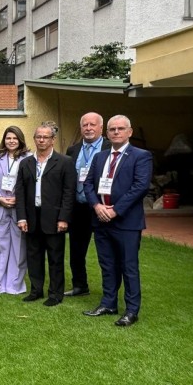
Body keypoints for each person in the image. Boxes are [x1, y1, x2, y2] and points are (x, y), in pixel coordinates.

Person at [83, 115, 152, 327]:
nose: (115, 132)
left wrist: (115, 211)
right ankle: (108, 303)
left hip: (126, 223)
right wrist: (97, 206)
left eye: (120, 129)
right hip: (101, 220)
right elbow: (88, 184)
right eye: (112, 129)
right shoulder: (100, 157)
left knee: (128, 266)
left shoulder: (141, 156)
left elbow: (140, 187)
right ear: (107, 133)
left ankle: (131, 310)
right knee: (107, 264)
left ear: (129, 132)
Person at [15, 122, 76, 307]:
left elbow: (69, 192)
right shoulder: (26, 163)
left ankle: (56, 294)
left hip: (54, 218)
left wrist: (64, 218)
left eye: (45, 137)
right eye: (38, 137)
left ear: (53, 140)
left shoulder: (64, 162)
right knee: (34, 256)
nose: (41, 140)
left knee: (55, 258)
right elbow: (20, 191)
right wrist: (22, 217)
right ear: (34, 139)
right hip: (32, 217)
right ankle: (36, 290)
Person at [65, 112, 107, 297]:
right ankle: (80, 286)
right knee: (76, 251)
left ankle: (109, 291)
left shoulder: (109, 147)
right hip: (78, 208)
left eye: (92, 125)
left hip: (101, 207)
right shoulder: (72, 150)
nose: (88, 128)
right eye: (85, 125)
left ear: (101, 128)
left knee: (105, 252)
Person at [0, 126, 30, 294]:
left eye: (15, 138)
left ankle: (15, 284)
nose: (11, 141)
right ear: (4, 140)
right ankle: (0, 284)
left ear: (20, 140)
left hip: (19, 208)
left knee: (19, 247)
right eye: (8, 138)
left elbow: (29, 183)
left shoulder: (28, 158)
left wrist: (18, 199)